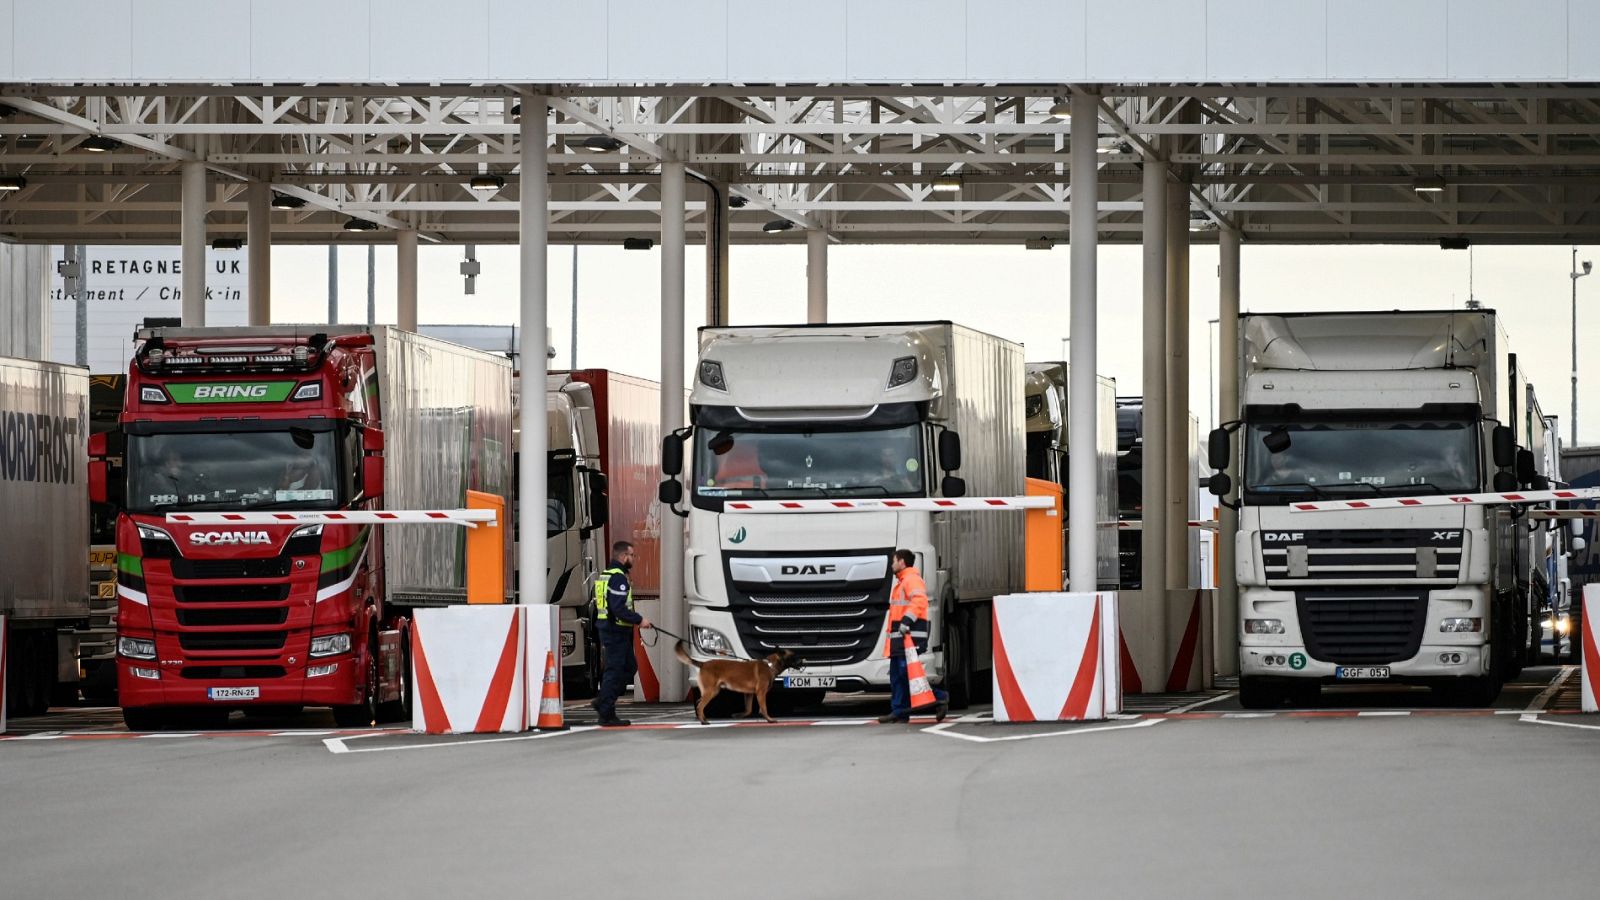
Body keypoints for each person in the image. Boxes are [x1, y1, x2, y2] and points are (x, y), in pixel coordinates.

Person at [879, 549, 948, 724]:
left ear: (902, 562)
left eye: (894, 561)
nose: (892, 564)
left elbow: (919, 601)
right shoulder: (902, 583)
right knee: (897, 675)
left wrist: (906, 621)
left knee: (906, 674)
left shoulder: (911, 580)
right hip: (900, 638)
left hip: (908, 637)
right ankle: (899, 711)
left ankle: (939, 697)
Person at [591, 540, 652, 726]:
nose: (633, 559)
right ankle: (606, 712)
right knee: (615, 671)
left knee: (628, 668)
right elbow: (618, 608)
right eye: (632, 555)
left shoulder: (606, 575)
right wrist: (639, 620)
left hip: (610, 629)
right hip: (615, 630)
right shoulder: (618, 578)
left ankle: (603, 701)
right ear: (623, 556)